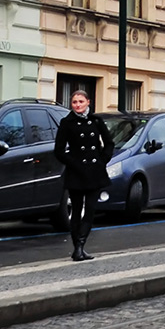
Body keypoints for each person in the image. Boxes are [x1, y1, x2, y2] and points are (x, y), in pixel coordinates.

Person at [54, 89, 115, 262]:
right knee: (77, 210)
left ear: (88, 102)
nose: (78, 105)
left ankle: (81, 245)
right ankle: (77, 248)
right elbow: (59, 151)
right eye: (74, 102)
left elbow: (109, 143)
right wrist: (75, 163)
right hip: (76, 174)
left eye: (81, 101)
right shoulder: (66, 122)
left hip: (95, 173)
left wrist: (102, 160)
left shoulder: (96, 121)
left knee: (90, 210)